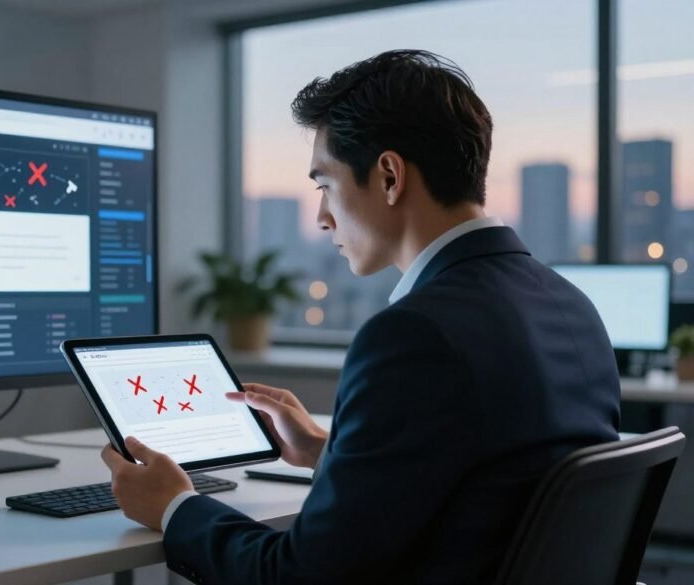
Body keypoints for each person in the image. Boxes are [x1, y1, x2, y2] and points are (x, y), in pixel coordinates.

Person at [100, 49, 620, 584]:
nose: (322, 218)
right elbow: (487, 485)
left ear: (390, 176)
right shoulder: (570, 306)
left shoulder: (414, 335)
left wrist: (174, 507)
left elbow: (299, 578)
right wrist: (330, 453)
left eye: (325, 185)